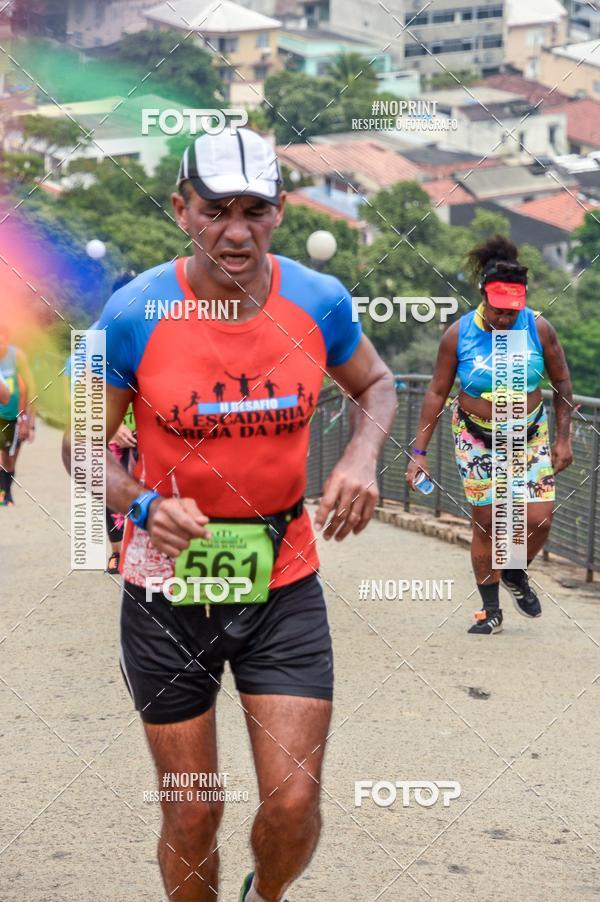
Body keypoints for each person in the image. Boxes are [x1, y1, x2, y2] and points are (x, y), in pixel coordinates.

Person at [62, 128, 397, 901]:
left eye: (255, 210)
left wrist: (360, 458)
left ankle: (263, 896)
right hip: (165, 588)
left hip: (283, 579)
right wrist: (143, 503)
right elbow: (82, 446)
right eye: (216, 211)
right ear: (182, 209)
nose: (237, 232)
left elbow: (378, 384)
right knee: (193, 812)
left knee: (294, 803)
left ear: (280, 211)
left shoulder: (318, 300)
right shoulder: (133, 311)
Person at [406, 235, 573, 635]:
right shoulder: (459, 334)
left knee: (539, 519)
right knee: (487, 521)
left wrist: (563, 438)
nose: (504, 319)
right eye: (498, 311)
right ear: (483, 296)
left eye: (512, 311)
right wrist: (419, 453)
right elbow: (436, 392)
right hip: (477, 438)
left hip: (528, 434)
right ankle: (490, 609)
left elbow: (562, 383)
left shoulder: (538, 328)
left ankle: (514, 571)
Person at [0, 325, 36, 506]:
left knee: (9, 459)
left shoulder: (17, 356)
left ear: (7, 339)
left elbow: (31, 387)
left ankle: (7, 492)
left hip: (14, 416)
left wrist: (30, 422)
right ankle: (3, 495)